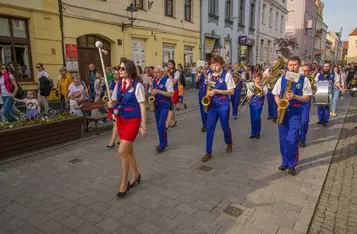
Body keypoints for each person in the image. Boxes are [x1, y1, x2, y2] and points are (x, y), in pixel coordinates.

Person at [108, 59, 147, 197]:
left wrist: (143, 125)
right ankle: (135, 174)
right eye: (120, 68)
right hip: (121, 120)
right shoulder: (117, 84)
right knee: (129, 151)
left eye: (123, 68)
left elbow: (142, 106)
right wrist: (110, 103)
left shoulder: (137, 86)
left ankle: (124, 183)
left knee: (121, 151)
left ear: (129, 70)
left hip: (133, 121)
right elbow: (114, 101)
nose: (120, 70)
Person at [272, 56, 312, 176]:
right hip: (283, 112)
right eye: (290, 65)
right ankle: (285, 162)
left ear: (298, 66)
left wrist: (295, 97)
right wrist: (279, 103)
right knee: (283, 139)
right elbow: (276, 94)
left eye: (295, 65)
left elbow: (307, 97)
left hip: (295, 112)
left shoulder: (304, 80)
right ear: (287, 66)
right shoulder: (281, 79)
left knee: (292, 139)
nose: (292, 67)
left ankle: (292, 164)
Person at [201, 55, 235, 162]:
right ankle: (208, 151)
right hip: (212, 105)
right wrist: (209, 91)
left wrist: (217, 91)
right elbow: (208, 89)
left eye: (217, 65)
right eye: (213, 65)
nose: (214, 67)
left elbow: (231, 91)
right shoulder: (210, 75)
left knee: (225, 126)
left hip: (223, 104)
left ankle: (229, 142)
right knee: (210, 128)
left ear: (222, 65)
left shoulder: (227, 75)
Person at [150, 66, 174, 153]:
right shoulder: (153, 81)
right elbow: (152, 91)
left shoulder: (167, 80)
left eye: (157, 72)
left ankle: (162, 144)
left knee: (161, 124)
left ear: (162, 72)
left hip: (164, 104)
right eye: (154, 72)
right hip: (156, 104)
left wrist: (159, 91)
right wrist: (151, 93)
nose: (156, 74)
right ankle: (164, 142)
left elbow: (171, 94)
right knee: (159, 125)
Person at [247, 73, 267, 139]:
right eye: (255, 79)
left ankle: (257, 132)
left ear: (261, 79)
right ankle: (253, 133)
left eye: (258, 79)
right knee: (252, 118)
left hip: (259, 103)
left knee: (257, 118)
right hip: (252, 103)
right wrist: (254, 92)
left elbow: (264, 94)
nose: (256, 80)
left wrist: (261, 88)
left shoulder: (263, 85)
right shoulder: (251, 85)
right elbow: (248, 96)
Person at [299, 64, 315, 148]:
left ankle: (302, 139)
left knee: (304, 121)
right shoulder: (298, 78)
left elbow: (315, 90)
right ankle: (297, 137)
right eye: (304, 70)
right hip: (297, 102)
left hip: (306, 103)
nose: (305, 72)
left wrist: (312, 86)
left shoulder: (312, 79)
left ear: (309, 71)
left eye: (307, 70)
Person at [107, 68, 122, 148]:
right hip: (114, 106)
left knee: (117, 123)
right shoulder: (111, 83)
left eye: (117, 74)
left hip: (121, 105)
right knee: (116, 123)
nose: (116, 75)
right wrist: (109, 92)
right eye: (115, 74)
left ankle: (114, 141)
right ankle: (115, 140)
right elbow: (109, 93)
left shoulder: (122, 83)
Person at [195, 61, 212, 132]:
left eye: (206, 64)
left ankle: (209, 124)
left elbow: (209, 81)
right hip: (201, 93)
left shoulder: (210, 73)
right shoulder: (200, 73)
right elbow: (196, 81)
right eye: (203, 64)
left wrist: (204, 73)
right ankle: (204, 125)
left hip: (208, 92)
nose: (204, 66)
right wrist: (198, 74)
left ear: (209, 65)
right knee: (202, 110)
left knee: (208, 109)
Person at [165, 60, 179, 128]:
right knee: (169, 106)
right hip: (167, 90)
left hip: (174, 90)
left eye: (170, 64)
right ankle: (170, 120)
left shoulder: (177, 72)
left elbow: (174, 82)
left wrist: (168, 75)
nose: (169, 65)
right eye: (168, 64)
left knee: (171, 106)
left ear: (173, 64)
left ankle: (173, 121)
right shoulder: (167, 72)